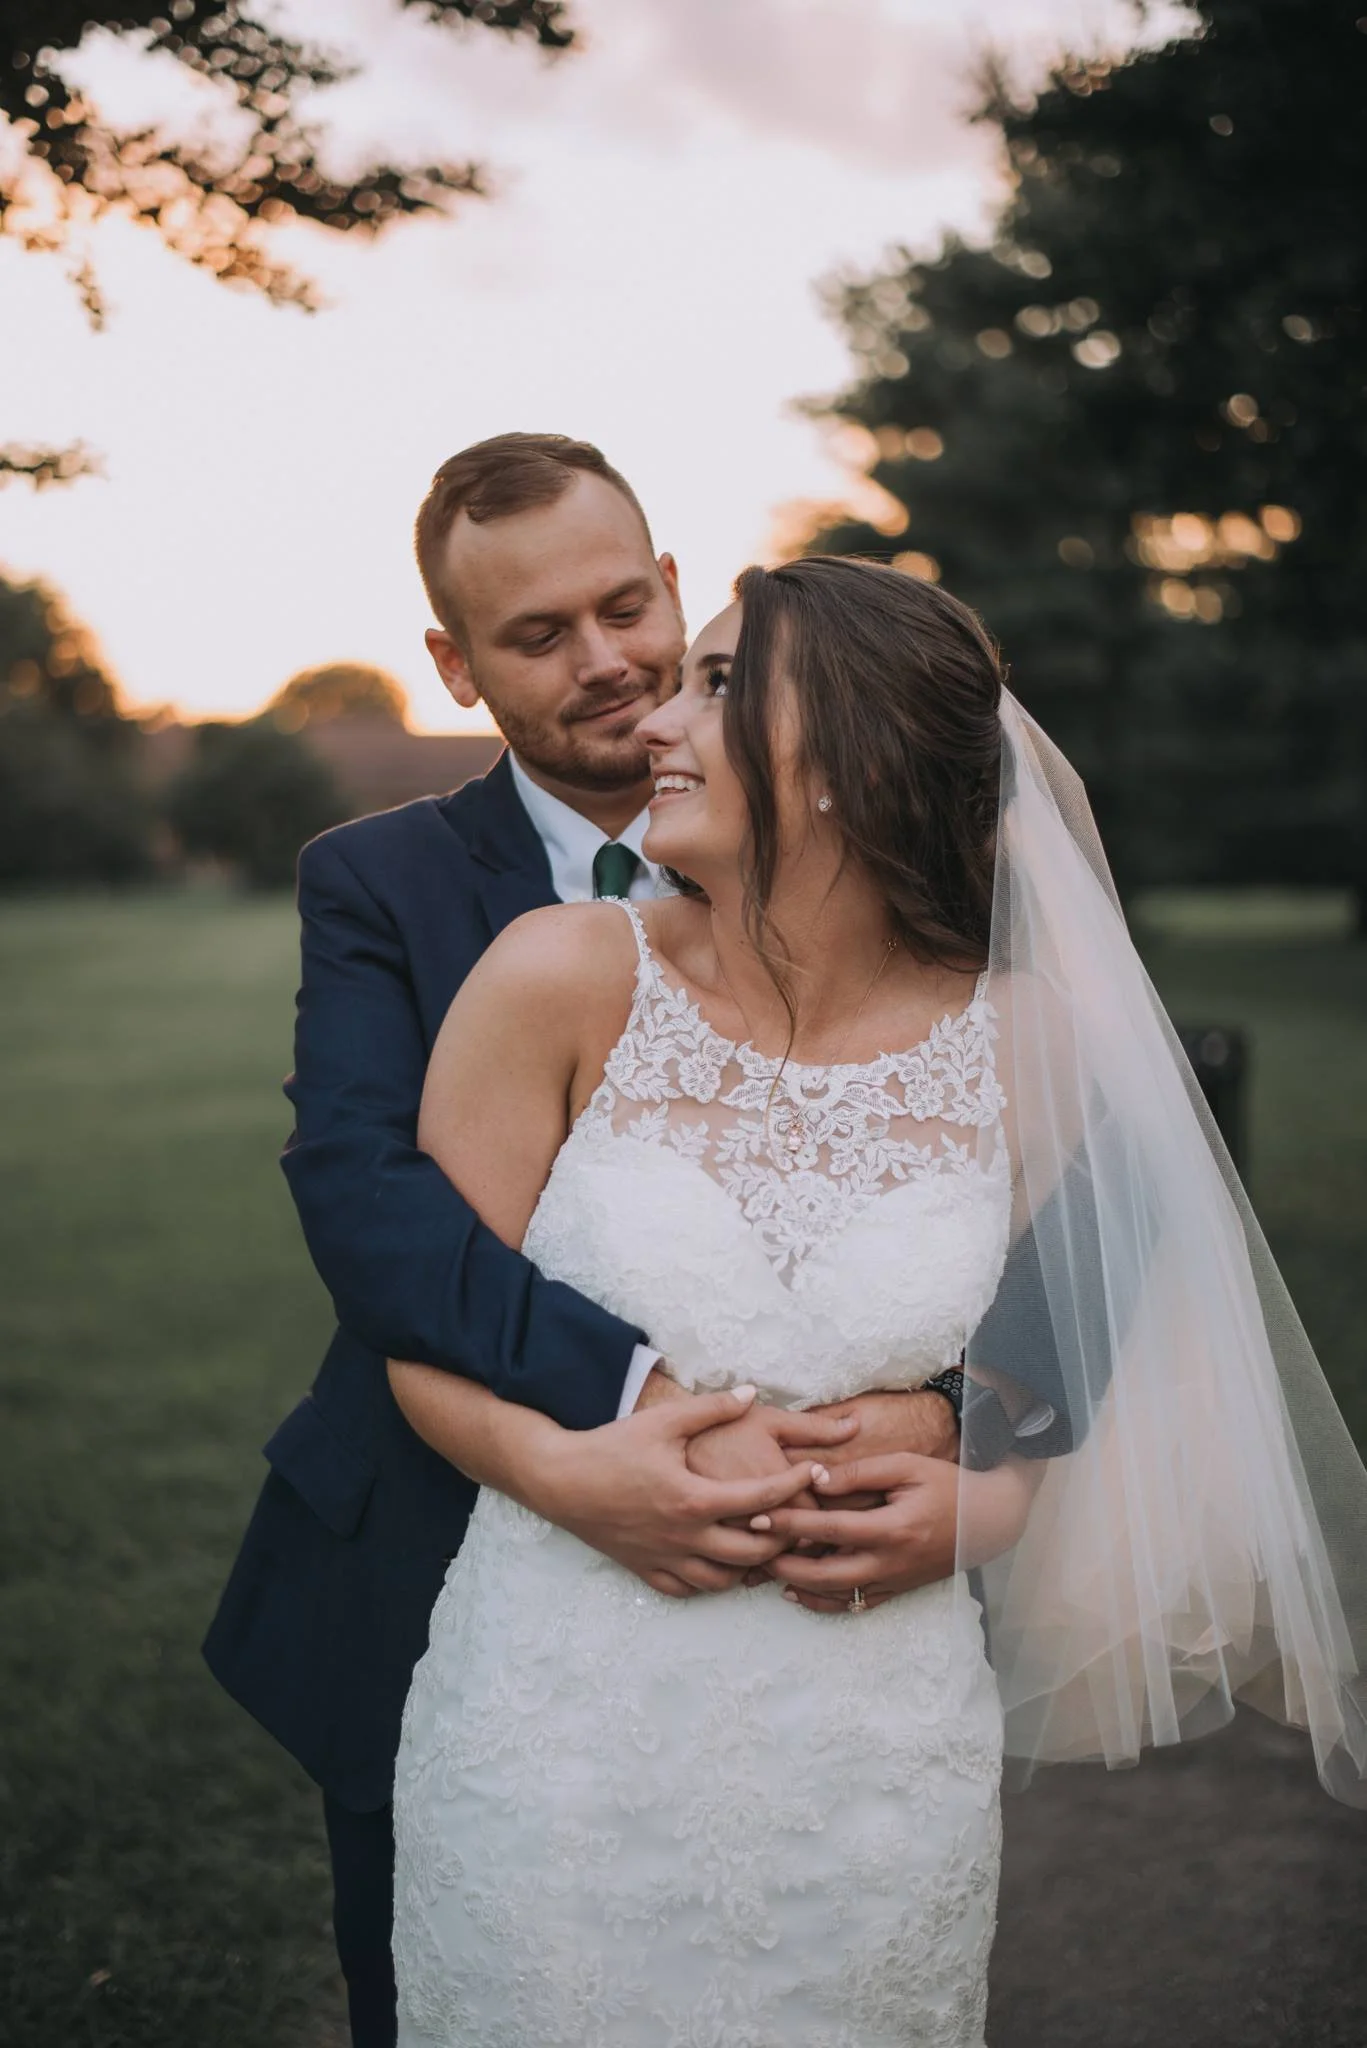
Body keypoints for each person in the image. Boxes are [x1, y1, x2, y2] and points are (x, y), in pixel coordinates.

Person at [387, 554, 1367, 2044]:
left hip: (867, 1746)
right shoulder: (559, 977)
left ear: (847, 763)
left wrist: (987, 1505)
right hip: (558, 1714)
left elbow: (1069, 1349)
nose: (659, 716)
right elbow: (424, 1331)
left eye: (717, 686)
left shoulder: (1028, 1038)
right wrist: (574, 1476)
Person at [206, 439, 1035, 2048]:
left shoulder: (984, 981)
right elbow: (384, 1226)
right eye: (536, 637)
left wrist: (960, 1429)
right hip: (468, 1581)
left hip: (843, 1663)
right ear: (455, 664)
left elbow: (1090, 1282)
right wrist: (617, 1424)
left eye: (631, 608)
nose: (617, 671)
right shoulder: (399, 892)